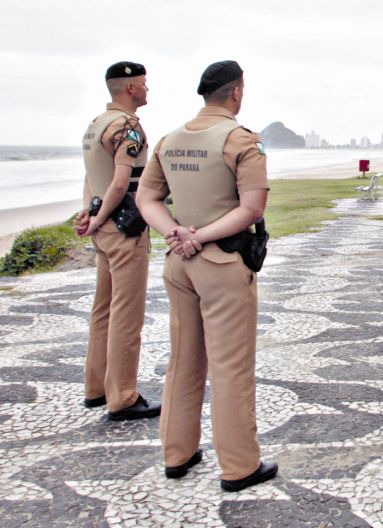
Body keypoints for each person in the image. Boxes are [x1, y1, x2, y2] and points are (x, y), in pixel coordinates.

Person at [136, 60, 277, 492]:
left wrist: (175, 234)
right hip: (220, 263)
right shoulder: (241, 140)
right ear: (236, 92)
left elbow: (147, 197)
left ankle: (177, 454)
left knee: (183, 360)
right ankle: (239, 466)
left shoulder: (169, 139)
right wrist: (201, 237)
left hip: (178, 264)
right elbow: (251, 208)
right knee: (231, 366)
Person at [75, 61, 161, 421]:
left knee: (103, 308)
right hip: (124, 228)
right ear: (129, 88)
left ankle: (95, 387)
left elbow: (92, 178)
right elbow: (120, 183)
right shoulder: (128, 127)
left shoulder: (96, 125)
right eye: (143, 83)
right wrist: (98, 216)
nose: (146, 89)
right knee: (126, 313)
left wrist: (88, 213)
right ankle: (123, 395)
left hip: (102, 227)